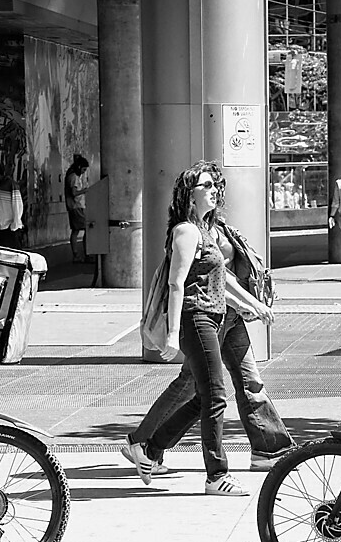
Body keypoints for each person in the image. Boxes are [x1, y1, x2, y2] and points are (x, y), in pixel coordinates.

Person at [123, 163, 292, 476]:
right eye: (207, 185)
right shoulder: (187, 231)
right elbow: (182, 284)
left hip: (223, 317)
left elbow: (221, 277)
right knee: (204, 394)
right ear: (190, 194)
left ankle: (269, 449)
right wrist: (173, 334)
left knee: (232, 385)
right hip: (201, 318)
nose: (215, 190)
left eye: (216, 185)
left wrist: (252, 302)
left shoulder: (215, 227)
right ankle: (204, 468)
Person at [0, 163, 24, 249]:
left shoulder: (11, 185)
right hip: (3, 227)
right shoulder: (2, 186)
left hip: (10, 228)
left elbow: (18, 206)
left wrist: (15, 224)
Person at [65, 154, 90, 263]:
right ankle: (85, 253)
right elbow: (74, 192)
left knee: (76, 231)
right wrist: (84, 191)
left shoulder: (71, 175)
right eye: (84, 169)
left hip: (74, 206)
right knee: (87, 229)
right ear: (79, 167)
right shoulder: (74, 177)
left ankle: (76, 254)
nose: (84, 172)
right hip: (77, 206)